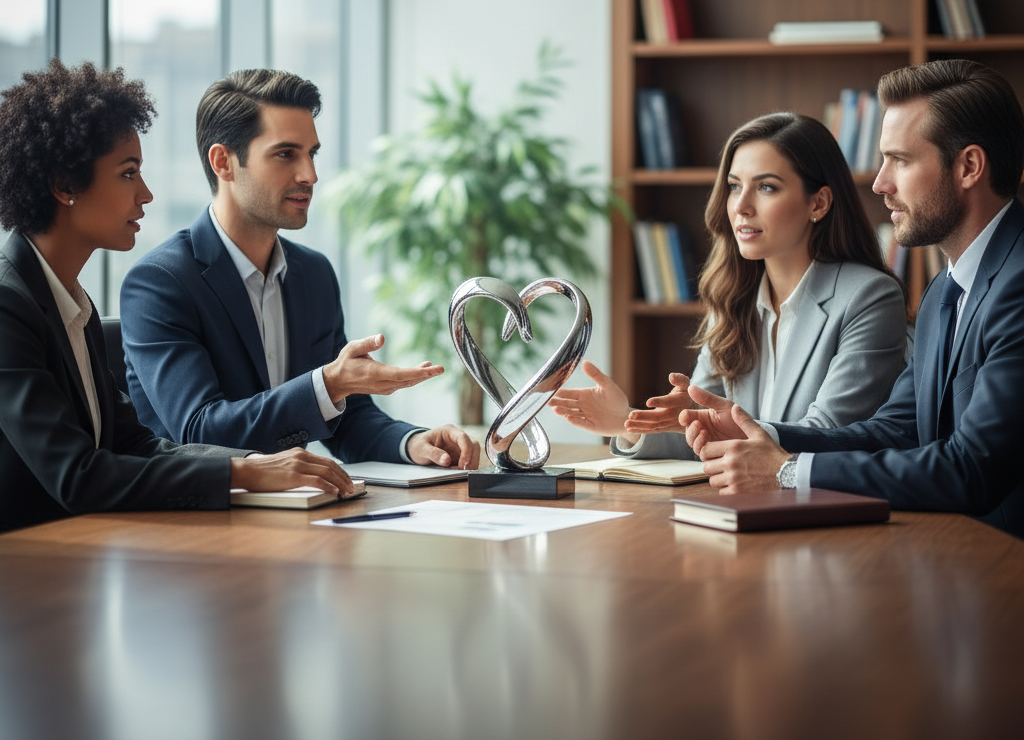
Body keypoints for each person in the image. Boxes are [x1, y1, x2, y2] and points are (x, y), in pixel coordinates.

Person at [0, 60, 354, 533]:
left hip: (84, 554)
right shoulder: (9, 306)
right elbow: (77, 474)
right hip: (31, 571)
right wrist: (243, 470)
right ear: (65, 186)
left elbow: (137, 444)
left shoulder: (72, 306)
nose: (146, 194)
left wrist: (256, 467)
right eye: (128, 174)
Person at [681, 60, 1024, 538]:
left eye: (900, 160)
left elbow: (972, 470)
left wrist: (787, 472)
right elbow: (894, 430)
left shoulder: (1017, 286)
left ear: (968, 166)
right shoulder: (944, 292)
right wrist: (758, 434)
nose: (879, 182)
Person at [120, 69, 480, 470]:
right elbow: (200, 431)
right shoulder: (160, 282)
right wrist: (328, 383)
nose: (309, 175)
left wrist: (412, 443)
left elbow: (348, 419)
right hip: (197, 521)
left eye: (312, 153)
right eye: (286, 153)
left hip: (296, 511)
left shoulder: (314, 274)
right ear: (223, 162)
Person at [550, 112, 909, 457]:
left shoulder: (868, 297)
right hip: (743, 500)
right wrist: (628, 421)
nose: (741, 207)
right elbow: (701, 433)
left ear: (819, 202)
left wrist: (710, 427)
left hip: (823, 505)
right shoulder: (734, 296)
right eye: (735, 187)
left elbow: (829, 433)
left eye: (767, 187)